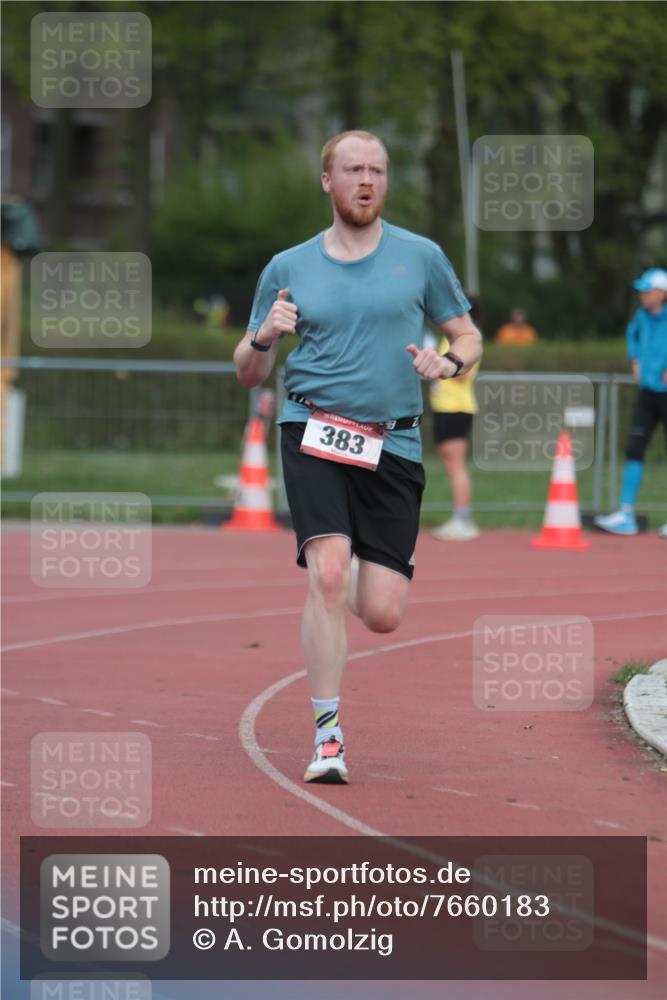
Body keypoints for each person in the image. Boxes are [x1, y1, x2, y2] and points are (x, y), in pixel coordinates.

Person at [233, 130, 482, 784]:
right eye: (352, 169)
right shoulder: (287, 267)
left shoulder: (420, 257)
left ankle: (343, 586)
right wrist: (263, 337)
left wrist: (449, 362)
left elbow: (467, 334)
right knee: (327, 573)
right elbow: (248, 371)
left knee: (382, 613)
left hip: (392, 439)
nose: (365, 180)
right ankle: (328, 737)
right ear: (327, 180)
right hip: (312, 428)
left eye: (376, 170)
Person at [595, 267, 667, 537]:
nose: (642, 295)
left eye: (647, 290)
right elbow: (632, 334)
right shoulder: (641, 316)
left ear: (662, 293)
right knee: (634, 447)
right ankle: (626, 514)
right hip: (647, 392)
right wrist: (634, 358)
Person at [426, 331, 481, 540]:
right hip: (444, 407)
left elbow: (463, 374)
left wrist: (437, 364)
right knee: (451, 465)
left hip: (456, 407)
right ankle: (460, 517)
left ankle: (463, 519)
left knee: (456, 465)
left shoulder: (466, 339)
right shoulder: (447, 338)